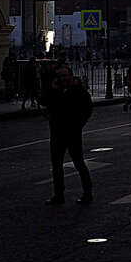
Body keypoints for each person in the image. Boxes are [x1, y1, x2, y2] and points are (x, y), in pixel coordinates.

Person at [38, 66, 93, 205]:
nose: (62, 79)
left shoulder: (78, 91)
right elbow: (42, 101)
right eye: (60, 76)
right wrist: (51, 88)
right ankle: (59, 194)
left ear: (71, 76)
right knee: (56, 165)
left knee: (79, 163)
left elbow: (87, 109)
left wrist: (77, 125)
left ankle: (87, 192)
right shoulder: (56, 90)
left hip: (72, 132)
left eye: (65, 76)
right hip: (57, 132)